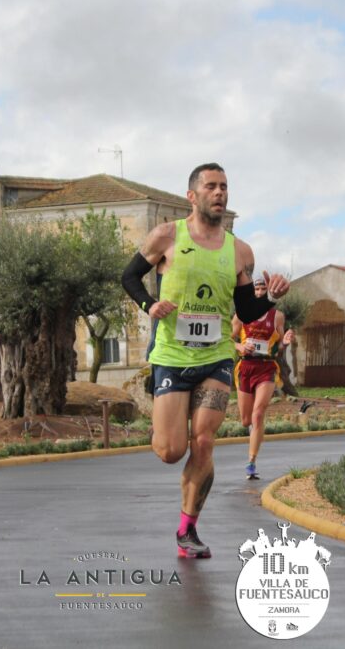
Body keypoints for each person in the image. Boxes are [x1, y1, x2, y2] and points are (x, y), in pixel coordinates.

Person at [120, 163, 290, 559]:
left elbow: (247, 312)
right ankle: (164, 428)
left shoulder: (239, 250)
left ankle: (188, 529)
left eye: (225, 187)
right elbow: (129, 277)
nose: (220, 193)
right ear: (192, 196)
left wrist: (273, 297)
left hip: (216, 357)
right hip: (171, 356)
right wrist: (150, 304)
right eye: (211, 186)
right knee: (171, 450)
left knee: (204, 441)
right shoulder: (166, 236)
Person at [232, 278, 294, 480]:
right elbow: (227, 338)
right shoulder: (241, 315)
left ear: (268, 292)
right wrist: (240, 347)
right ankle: (252, 430)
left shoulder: (277, 316)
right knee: (245, 420)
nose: (259, 291)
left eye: (262, 289)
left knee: (258, 414)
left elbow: (281, 346)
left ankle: (251, 461)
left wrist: (285, 343)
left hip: (266, 367)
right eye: (256, 289)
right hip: (245, 367)